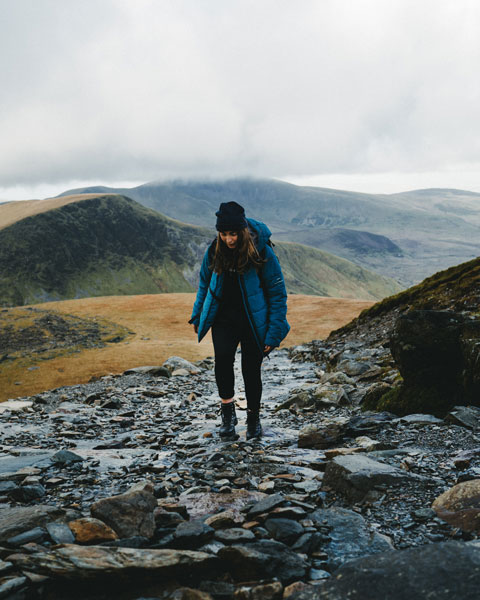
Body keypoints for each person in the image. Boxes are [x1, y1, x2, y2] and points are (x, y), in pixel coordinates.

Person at [189, 201, 290, 440]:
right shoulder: (215, 249)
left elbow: (277, 292)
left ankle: (253, 419)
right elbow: (204, 283)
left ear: (242, 231)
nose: (228, 239)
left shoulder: (261, 250)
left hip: (253, 322)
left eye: (233, 233)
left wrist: (274, 332)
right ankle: (228, 414)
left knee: (251, 369)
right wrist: (198, 313)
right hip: (223, 319)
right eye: (223, 234)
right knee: (222, 362)